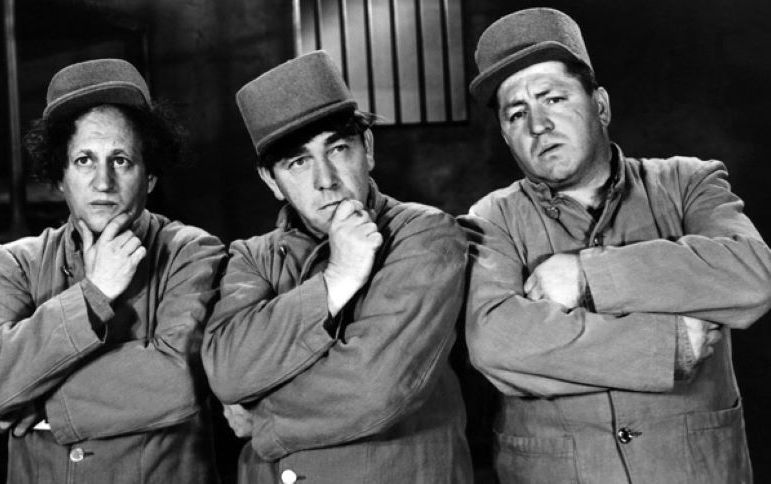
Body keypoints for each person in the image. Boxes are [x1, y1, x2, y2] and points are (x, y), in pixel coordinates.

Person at [460, 8, 771, 484]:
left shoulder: (688, 182)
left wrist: (586, 276)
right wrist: (666, 347)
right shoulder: (491, 219)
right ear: (506, 135)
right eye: (517, 114)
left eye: (553, 98)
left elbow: (752, 274)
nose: (538, 125)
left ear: (600, 106)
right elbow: (496, 344)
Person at [201, 51, 473, 483]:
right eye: (298, 162)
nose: (325, 179)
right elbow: (228, 373)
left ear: (368, 149)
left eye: (338, 149)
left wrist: (264, 419)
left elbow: (375, 387)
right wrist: (337, 279)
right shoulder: (252, 256)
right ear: (271, 180)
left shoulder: (425, 234)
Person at [0, 59, 225, 483]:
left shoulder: (191, 252)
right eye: (84, 160)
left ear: (150, 177)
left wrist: (37, 397)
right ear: (59, 177)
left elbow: (178, 379)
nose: (103, 182)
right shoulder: (17, 262)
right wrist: (95, 292)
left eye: (121, 160)